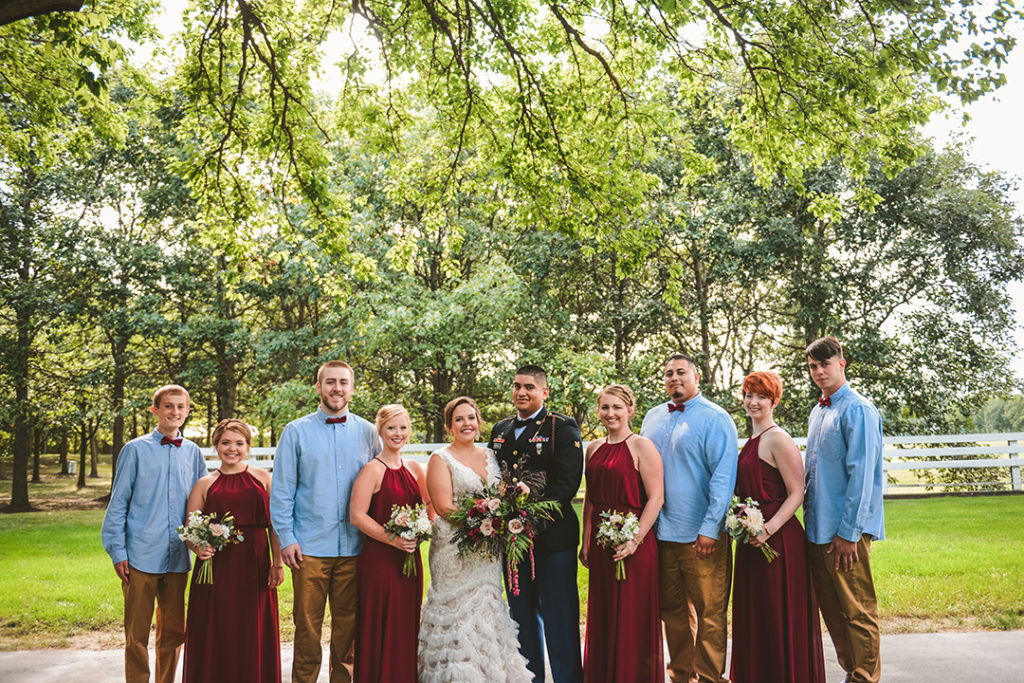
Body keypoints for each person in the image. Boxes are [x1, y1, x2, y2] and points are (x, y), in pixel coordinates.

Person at [269, 360, 381, 683]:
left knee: (349, 632)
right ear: (318, 387)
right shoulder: (296, 432)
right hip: (309, 549)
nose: (337, 388)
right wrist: (287, 538)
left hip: (356, 548)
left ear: (352, 388)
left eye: (343, 382)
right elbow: (282, 492)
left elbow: (380, 484)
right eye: (330, 382)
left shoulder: (369, 433)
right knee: (307, 630)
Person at [418, 396, 534, 682]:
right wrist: (482, 522)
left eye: (470, 418)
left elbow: (501, 494)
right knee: (457, 615)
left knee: (486, 609)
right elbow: (443, 506)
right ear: (449, 426)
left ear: (479, 423)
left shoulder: (490, 455)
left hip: (487, 549)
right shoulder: (440, 458)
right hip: (454, 548)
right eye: (459, 419)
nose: (466, 423)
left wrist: (511, 502)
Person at [639, 354, 738, 683]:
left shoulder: (715, 418)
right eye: (668, 373)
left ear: (696, 377)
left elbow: (723, 478)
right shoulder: (652, 418)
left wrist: (710, 528)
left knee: (710, 613)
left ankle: (710, 677)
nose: (674, 378)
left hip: (702, 536)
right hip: (662, 534)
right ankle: (682, 676)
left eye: (681, 372)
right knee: (674, 613)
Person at [101, 384, 207, 683]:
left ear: (187, 412)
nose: (175, 412)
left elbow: (199, 505)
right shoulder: (135, 450)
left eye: (181, 407)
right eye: (169, 406)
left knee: (173, 634)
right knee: (136, 634)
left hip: (177, 559)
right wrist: (117, 552)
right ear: (155, 410)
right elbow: (118, 503)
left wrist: (202, 541)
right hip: (140, 557)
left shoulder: (193, 453)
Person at [488, 365, 585, 683]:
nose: (521, 392)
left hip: (553, 542)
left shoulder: (561, 429)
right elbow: (493, 481)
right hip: (513, 543)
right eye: (517, 386)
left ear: (544, 392)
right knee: (522, 620)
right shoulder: (500, 430)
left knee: (560, 620)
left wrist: (527, 519)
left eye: (529, 387)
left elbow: (566, 486)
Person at [730, 372, 825, 683]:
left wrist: (767, 530)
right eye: (748, 395)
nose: (753, 402)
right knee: (757, 617)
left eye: (761, 396)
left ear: (773, 401)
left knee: (777, 615)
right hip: (750, 540)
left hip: (778, 541)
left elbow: (797, 492)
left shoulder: (778, 438)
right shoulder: (752, 440)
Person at [804, 336, 885, 683]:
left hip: (845, 532)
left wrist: (849, 534)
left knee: (857, 609)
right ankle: (853, 672)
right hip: (818, 529)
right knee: (834, 611)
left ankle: (865, 678)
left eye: (825, 364)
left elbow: (862, 477)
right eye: (813, 366)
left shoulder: (858, 409)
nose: (820, 371)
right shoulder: (819, 411)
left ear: (842, 364)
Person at [182, 419, 283, 683]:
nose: (232, 449)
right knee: (218, 629)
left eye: (239, 443)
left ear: (248, 447)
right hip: (217, 569)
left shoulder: (263, 478)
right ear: (216, 446)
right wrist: (199, 547)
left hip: (256, 565)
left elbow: (276, 525)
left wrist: (277, 563)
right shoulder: (204, 484)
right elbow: (189, 528)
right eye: (225, 442)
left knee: (252, 629)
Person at [580, 384, 664, 683]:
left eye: (617, 407)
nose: (610, 413)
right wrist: (586, 539)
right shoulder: (593, 448)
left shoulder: (642, 446)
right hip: (603, 544)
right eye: (605, 407)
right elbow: (591, 498)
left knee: (632, 617)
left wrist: (634, 540)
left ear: (630, 410)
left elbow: (656, 498)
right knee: (604, 614)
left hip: (636, 545)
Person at [349, 404, 431, 683]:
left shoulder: (414, 468)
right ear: (381, 431)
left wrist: (422, 530)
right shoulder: (372, 469)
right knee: (380, 624)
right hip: (380, 562)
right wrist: (393, 539)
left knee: (405, 625)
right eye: (392, 428)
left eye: (403, 428)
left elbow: (429, 505)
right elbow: (357, 516)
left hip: (409, 562)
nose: (398, 433)